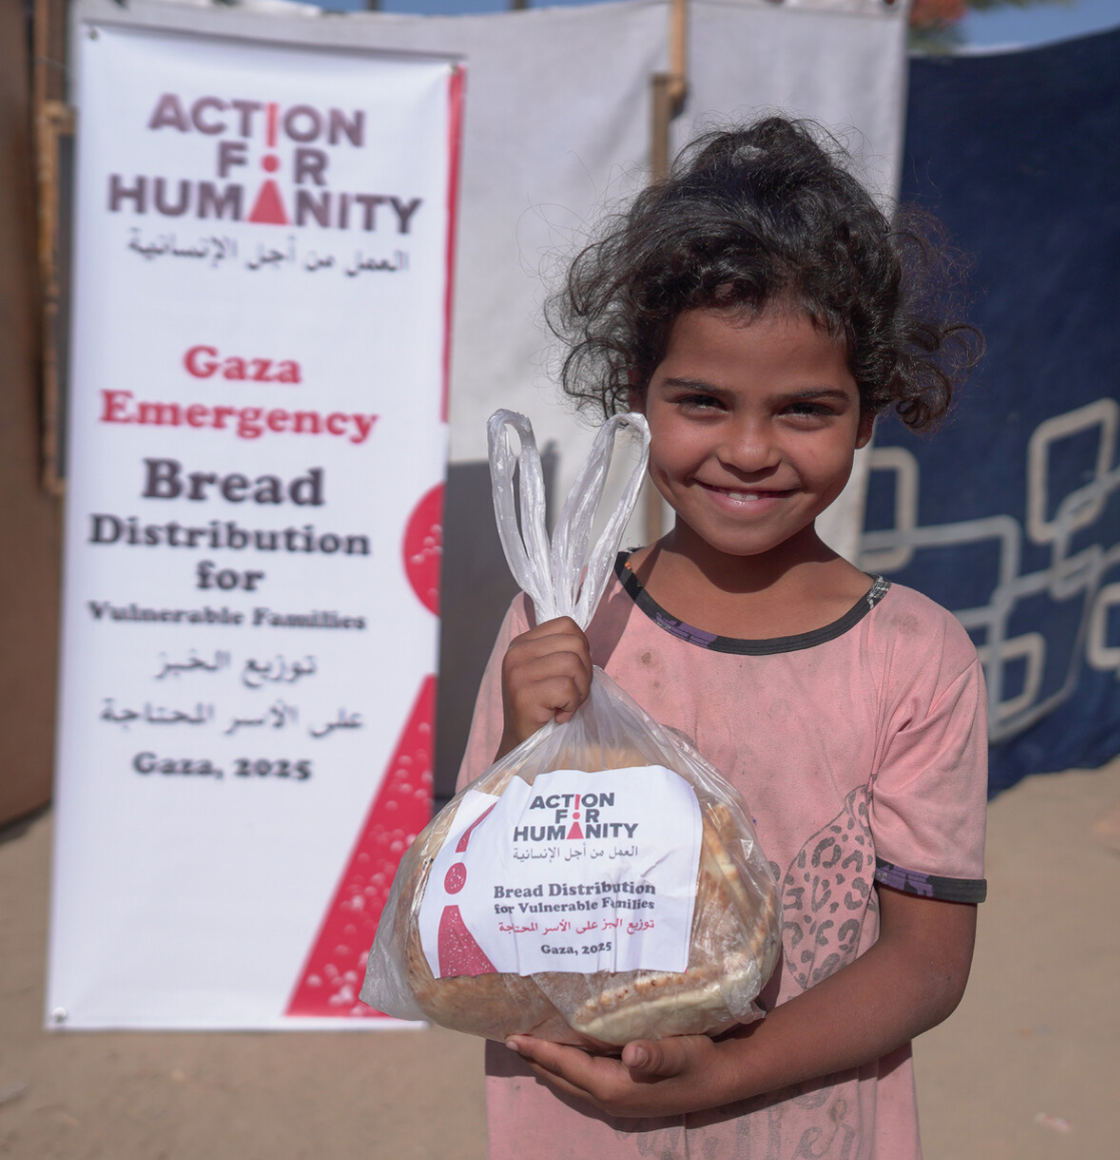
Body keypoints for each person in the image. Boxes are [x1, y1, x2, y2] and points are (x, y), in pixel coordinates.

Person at [456, 116, 987, 1160]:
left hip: (807, 1120)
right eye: (701, 400)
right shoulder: (557, 625)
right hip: (582, 1125)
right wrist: (526, 755)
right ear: (634, 398)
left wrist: (731, 1067)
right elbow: (468, 939)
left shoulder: (915, 656)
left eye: (803, 409)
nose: (747, 450)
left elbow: (928, 962)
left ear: (868, 412)